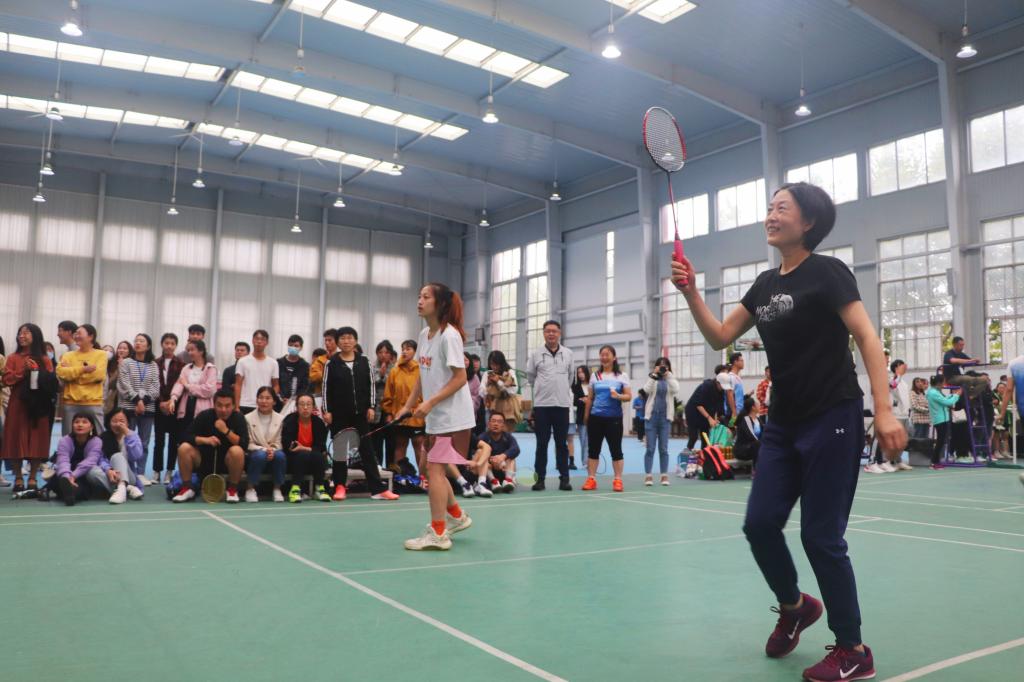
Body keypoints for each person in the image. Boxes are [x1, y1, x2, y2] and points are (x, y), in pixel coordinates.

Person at [671, 181, 906, 680]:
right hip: (782, 423)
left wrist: (884, 411)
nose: (771, 215)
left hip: (833, 415)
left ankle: (853, 650)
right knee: (759, 524)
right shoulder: (763, 285)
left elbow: (867, 337)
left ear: (809, 222)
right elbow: (719, 336)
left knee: (821, 537)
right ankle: (795, 607)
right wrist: (690, 291)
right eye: (770, 207)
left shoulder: (828, 272)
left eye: (783, 208)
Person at [394, 283, 475, 551]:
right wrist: (408, 405)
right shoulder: (424, 334)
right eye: (419, 296)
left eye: (426, 297)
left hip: (452, 417)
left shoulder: (449, 336)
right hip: (437, 416)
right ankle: (456, 516)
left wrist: (430, 402)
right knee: (433, 469)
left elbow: (460, 378)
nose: (419, 301)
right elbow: (422, 374)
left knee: (434, 470)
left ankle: (439, 533)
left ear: (439, 304)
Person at [322, 327, 399, 502]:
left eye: (350, 338)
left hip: (361, 415)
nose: (346, 341)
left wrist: (371, 407)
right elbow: (326, 388)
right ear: (338, 342)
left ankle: (378, 489)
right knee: (340, 452)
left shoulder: (364, 361)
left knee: (367, 451)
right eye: (342, 338)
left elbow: (371, 385)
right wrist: (327, 410)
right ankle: (340, 486)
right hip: (339, 415)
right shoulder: (331, 363)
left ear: (355, 341)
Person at [2, 324, 55, 493]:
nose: (21, 336)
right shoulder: (12, 358)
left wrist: (37, 371)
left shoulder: (45, 359)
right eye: (20, 333)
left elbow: (50, 381)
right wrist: (22, 371)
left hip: (39, 404)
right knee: (15, 438)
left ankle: (33, 478)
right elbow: (6, 380)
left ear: (36, 336)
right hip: (18, 403)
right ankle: (18, 477)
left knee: (37, 439)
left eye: (26, 333)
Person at [172, 390, 248, 503]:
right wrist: (205, 440)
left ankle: (232, 490)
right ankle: (187, 488)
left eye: (227, 406)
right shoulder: (205, 416)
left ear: (233, 406)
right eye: (219, 405)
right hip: (203, 460)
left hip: (228, 463)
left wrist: (226, 431)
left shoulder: (239, 418)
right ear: (214, 404)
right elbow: (184, 436)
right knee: (184, 448)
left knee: (237, 451)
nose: (223, 409)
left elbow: (244, 444)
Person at [526, 319, 575, 492]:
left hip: (562, 405)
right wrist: (544, 389)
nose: (551, 334)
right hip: (542, 406)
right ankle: (539, 480)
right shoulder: (535, 354)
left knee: (561, 444)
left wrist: (560, 389)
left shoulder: (568, 353)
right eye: (548, 331)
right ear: (543, 333)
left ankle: (564, 479)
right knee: (542, 445)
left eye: (554, 331)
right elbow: (531, 377)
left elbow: (570, 377)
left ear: (559, 333)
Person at [581, 345, 632, 493]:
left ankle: (618, 480)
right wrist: (586, 416)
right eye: (602, 355)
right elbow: (590, 398)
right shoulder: (595, 376)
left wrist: (618, 396)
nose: (604, 357)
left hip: (614, 419)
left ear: (614, 357)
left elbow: (629, 396)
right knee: (593, 450)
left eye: (607, 354)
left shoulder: (621, 376)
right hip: (595, 418)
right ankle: (591, 479)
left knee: (616, 451)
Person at [117, 333, 160, 485]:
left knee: (144, 442)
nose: (138, 343)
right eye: (136, 340)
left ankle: (140, 473)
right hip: (129, 407)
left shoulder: (153, 365)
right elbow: (124, 384)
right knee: (127, 440)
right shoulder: (126, 363)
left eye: (142, 341)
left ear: (148, 346)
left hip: (148, 408)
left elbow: (156, 386)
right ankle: (129, 472)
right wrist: (137, 400)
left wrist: (144, 401)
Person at [382, 340, 426, 474]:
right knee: (400, 445)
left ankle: (423, 478)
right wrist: (389, 413)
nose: (405, 352)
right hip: (399, 416)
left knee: (419, 445)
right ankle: (399, 478)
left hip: (417, 417)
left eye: (408, 349)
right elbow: (388, 395)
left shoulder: (422, 370)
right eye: (403, 349)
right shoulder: (394, 371)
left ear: (415, 352)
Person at [56, 324, 107, 436]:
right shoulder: (67, 355)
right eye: (75, 334)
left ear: (91, 336)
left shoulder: (101, 354)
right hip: (71, 402)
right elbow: (61, 373)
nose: (76, 336)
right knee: (68, 437)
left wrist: (72, 375)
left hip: (93, 402)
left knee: (99, 437)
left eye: (79, 333)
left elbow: (99, 376)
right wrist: (83, 369)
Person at [281, 393, 331, 503]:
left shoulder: (318, 423)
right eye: (302, 404)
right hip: (293, 460)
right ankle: (295, 489)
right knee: (303, 455)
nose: (305, 407)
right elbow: (288, 444)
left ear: (313, 407)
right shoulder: (289, 420)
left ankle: (320, 489)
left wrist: (304, 448)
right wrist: (304, 449)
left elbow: (321, 447)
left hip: (314, 460)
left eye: (308, 404)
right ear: (296, 406)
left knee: (318, 456)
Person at [167, 340, 218, 446]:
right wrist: (173, 398)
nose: (189, 353)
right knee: (184, 439)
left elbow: (209, 390)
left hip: (203, 410)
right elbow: (179, 383)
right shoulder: (186, 368)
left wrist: (188, 386)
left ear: (201, 351)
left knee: (201, 440)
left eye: (192, 350)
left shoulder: (210, 368)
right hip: (186, 407)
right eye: (188, 350)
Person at [51, 412, 105, 505]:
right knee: (58, 479)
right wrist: (67, 477)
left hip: (84, 473)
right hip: (67, 472)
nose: (80, 425)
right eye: (76, 422)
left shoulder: (97, 441)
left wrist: (73, 476)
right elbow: (63, 461)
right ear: (72, 425)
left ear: (91, 427)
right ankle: (69, 493)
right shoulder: (64, 441)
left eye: (84, 422)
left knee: (82, 486)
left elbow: (90, 462)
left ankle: (70, 493)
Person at [244, 386, 287, 502]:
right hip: (254, 452)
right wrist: (264, 449)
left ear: (274, 401)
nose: (264, 401)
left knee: (280, 456)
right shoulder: (247, 418)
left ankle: (277, 489)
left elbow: (279, 441)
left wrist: (272, 450)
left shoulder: (281, 419)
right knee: (259, 455)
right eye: (261, 398)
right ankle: (250, 488)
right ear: (256, 400)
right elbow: (248, 443)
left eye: (268, 398)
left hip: (274, 451)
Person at [642, 357, 679, 486]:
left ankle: (664, 475)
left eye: (665, 365)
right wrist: (654, 375)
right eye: (660, 365)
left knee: (663, 448)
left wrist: (668, 375)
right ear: (656, 367)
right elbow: (646, 390)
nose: (663, 367)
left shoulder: (670, 379)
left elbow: (676, 389)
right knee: (650, 448)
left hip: (665, 418)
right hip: (651, 417)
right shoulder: (652, 378)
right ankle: (648, 475)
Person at [98, 408, 145, 504]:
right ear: (109, 423)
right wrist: (108, 470)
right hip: (110, 476)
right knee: (93, 473)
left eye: (122, 421)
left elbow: (136, 456)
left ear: (128, 423)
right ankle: (126, 488)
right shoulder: (103, 437)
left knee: (117, 456)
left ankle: (122, 487)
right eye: (114, 421)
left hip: (130, 476)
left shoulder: (132, 436)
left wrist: (127, 434)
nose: (118, 424)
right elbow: (100, 459)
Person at [154, 333, 184, 484]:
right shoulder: (155, 363)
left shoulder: (182, 364)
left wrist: (171, 402)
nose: (169, 346)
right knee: (159, 441)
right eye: (167, 343)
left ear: (176, 346)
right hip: (158, 406)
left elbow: (181, 386)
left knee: (173, 441)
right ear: (162, 344)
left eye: (172, 343)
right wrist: (161, 402)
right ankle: (156, 471)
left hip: (174, 407)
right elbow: (153, 384)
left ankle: (169, 471)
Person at [468, 412, 520, 496]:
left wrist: (502, 457)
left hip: (502, 469)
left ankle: (508, 480)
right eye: (493, 421)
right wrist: (492, 460)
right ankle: (493, 481)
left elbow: (516, 449)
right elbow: (475, 454)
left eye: (499, 422)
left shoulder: (508, 437)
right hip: (488, 471)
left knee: (511, 457)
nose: (496, 424)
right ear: (488, 424)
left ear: (503, 425)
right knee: (482, 456)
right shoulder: (482, 437)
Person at [234, 330, 280, 415]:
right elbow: (238, 384)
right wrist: (236, 406)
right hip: (245, 404)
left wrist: (269, 400)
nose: (259, 341)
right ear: (252, 340)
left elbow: (276, 385)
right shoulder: (242, 361)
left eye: (262, 339)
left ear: (267, 342)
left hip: (264, 404)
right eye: (257, 338)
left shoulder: (273, 363)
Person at [927, 375, 960, 470]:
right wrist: (956, 395)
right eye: (943, 382)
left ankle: (935, 461)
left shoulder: (935, 392)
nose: (944, 384)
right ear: (939, 383)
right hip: (940, 419)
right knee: (940, 441)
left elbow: (944, 400)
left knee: (941, 441)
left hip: (943, 418)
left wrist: (953, 395)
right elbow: (947, 402)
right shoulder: (933, 393)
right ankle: (934, 462)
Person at [371, 340, 396, 465]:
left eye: (386, 352)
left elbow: (395, 386)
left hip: (390, 410)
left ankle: (391, 469)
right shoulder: (371, 367)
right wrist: (381, 375)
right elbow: (370, 383)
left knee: (391, 442)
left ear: (391, 354)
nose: (383, 355)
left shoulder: (395, 369)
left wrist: (383, 376)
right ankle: (378, 468)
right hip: (375, 410)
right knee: (376, 442)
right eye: (380, 352)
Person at [684, 374, 723, 452]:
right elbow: (699, 405)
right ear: (717, 382)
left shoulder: (721, 391)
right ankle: (688, 452)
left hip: (705, 413)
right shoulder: (706, 386)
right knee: (693, 437)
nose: (723, 388)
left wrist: (715, 419)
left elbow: (717, 406)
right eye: (722, 386)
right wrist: (709, 418)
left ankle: (704, 456)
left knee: (705, 437)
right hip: (693, 412)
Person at [484, 350, 521, 431]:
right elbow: (481, 391)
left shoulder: (509, 373)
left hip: (508, 407)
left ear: (502, 363)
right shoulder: (488, 373)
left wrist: (498, 381)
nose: (494, 367)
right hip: (493, 406)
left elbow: (513, 391)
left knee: (506, 431)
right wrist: (488, 386)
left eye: (496, 364)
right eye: (492, 364)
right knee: (492, 431)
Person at [277, 334, 310, 412]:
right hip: (279, 402)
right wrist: (281, 398)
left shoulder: (305, 365)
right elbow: (275, 382)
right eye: (291, 345)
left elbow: (304, 386)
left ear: (301, 347)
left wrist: (293, 400)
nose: (293, 348)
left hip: (296, 404)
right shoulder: (279, 363)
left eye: (296, 346)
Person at [308, 329, 338, 411]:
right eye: (326, 340)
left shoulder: (342, 359)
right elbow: (313, 376)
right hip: (321, 397)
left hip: (339, 397)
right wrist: (331, 376)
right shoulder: (319, 360)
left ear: (337, 341)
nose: (327, 343)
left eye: (330, 340)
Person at [733, 395, 761, 470]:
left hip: (753, 448)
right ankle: (756, 470)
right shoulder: (746, 419)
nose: (760, 405)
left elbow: (764, 433)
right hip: (741, 450)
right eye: (757, 404)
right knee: (758, 444)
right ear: (753, 407)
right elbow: (751, 435)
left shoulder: (758, 419)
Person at [571, 366, 590, 470]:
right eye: (578, 372)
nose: (581, 374)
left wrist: (586, 399)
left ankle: (591, 460)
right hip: (581, 417)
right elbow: (574, 401)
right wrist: (582, 400)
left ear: (586, 372)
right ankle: (585, 461)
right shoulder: (575, 387)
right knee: (583, 440)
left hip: (594, 416)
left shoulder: (592, 385)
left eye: (582, 372)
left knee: (593, 441)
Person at [104, 341, 130, 415]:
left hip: (127, 399)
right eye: (119, 348)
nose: (121, 350)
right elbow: (110, 384)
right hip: (113, 399)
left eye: (124, 348)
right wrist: (119, 367)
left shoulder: (132, 363)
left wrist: (123, 366)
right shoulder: (112, 364)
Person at [464, 352, 483, 436]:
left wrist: (469, 405)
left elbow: (477, 396)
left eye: (466, 360)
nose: (463, 362)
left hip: (469, 413)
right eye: (461, 359)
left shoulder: (474, 377)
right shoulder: (452, 374)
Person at [728, 351, 746, 425]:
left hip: (739, 412)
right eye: (741, 360)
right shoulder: (731, 377)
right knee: (731, 429)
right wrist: (734, 412)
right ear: (735, 362)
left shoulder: (738, 377)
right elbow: (730, 395)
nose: (743, 362)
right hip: (734, 414)